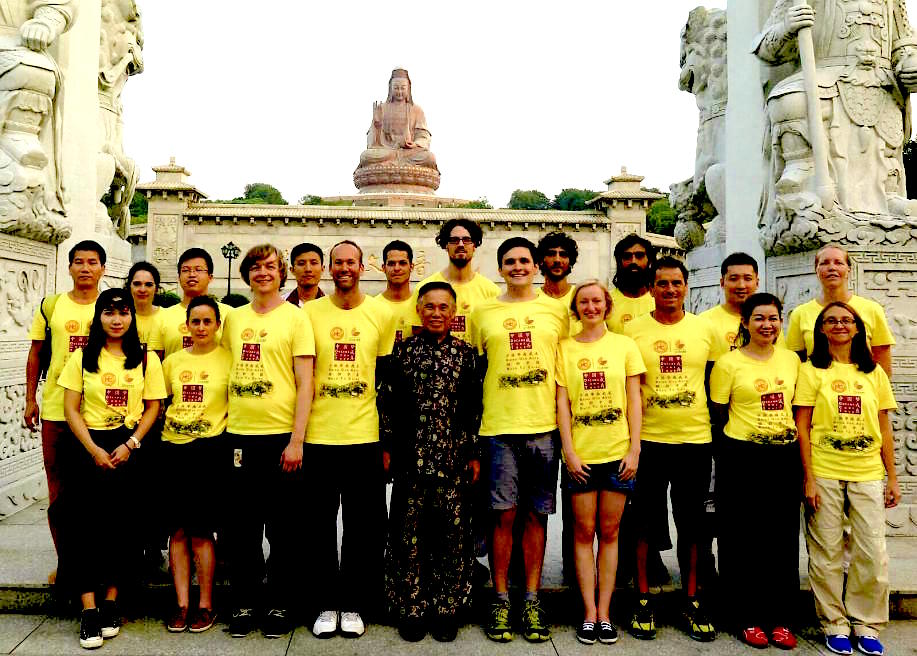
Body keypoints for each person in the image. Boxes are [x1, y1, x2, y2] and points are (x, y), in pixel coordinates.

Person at [470, 237, 568, 643]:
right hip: (498, 428)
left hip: (543, 427)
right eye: (510, 261)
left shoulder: (556, 311)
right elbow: (477, 371)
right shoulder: (483, 312)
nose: (518, 267)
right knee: (502, 516)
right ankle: (500, 599)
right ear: (500, 268)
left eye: (524, 260)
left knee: (535, 516)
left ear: (536, 266)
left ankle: (530, 597)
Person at [57, 288, 165, 650]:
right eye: (109, 312)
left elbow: (153, 406)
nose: (116, 320)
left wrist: (132, 443)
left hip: (128, 447)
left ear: (132, 317)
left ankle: (111, 603)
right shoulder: (82, 357)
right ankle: (88, 609)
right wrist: (92, 449)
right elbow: (71, 407)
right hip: (88, 446)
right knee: (83, 528)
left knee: (124, 527)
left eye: (123, 312)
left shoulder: (147, 359)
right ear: (98, 317)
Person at [794, 302, 899, 656]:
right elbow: (802, 427)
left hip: (867, 471)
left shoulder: (874, 374)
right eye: (831, 321)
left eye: (846, 320)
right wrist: (808, 477)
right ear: (821, 330)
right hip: (824, 469)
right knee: (826, 552)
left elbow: (885, 427)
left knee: (873, 552)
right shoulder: (811, 370)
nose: (839, 325)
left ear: (857, 329)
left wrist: (893, 478)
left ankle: (866, 623)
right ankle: (834, 623)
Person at [221, 244, 315, 639]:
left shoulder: (296, 319)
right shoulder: (233, 319)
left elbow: (306, 382)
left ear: (282, 274)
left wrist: (297, 440)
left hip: (280, 437)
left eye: (271, 267)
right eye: (256, 267)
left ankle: (279, 603)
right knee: (241, 527)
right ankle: (244, 602)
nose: (263, 273)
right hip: (239, 434)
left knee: (283, 527)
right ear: (247, 274)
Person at [622, 256, 717, 642]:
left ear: (686, 286)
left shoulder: (704, 330)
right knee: (643, 523)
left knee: (693, 525)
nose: (670, 290)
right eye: (662, 284)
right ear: (651, 287)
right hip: (648, 441)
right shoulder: (633, 331)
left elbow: (715, 383)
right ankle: (642, 597)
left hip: (694, 439)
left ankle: (692, 598)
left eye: (676, 283)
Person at [381, 281, 482, 643]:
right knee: (409, 535)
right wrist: (388, 447)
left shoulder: (465, 354)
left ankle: (446, 607)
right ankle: (411, 606)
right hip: (411, 460)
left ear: (454, 313)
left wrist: (473, 453)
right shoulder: (404, 352)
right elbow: (389, 403)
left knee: (451, 536)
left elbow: (474, 408)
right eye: (429, 307)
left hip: (453, 460)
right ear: (419, 311)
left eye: (443, 307)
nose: (436, 313)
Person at [304, 240, 395, 639]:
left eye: (351, 262)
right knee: (319, 525)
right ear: (329, 268)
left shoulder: (381, 313)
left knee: (365, 526)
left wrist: (388, 442)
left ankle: (356, 602)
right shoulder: (308, 314)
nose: (344, 268)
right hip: (318, 436)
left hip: (364, 436)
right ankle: (325, 603)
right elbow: (301, 377)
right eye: (337, 262)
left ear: (363, 266)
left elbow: (388, 383)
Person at [754, 1, 917, 219]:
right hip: (823, 76)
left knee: (886, 122)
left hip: (880, 82)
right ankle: (801, 171)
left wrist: (909, 65)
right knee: (787, 101)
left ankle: (886, 191)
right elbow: (766, 48)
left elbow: (905, 46)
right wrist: (787, 26)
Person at [709, 293, 801, 649]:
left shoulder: (792, 361)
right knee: (739, 537)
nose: (767, 325)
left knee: (780, 537)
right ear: (745, 323)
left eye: (773, 318)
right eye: (759, 318)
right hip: (741, 457)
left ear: (781, 322)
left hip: (783, 457)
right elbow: (718, 415)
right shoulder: (728, 364)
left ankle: (780, 617)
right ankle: (744, 616)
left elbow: (797, 408)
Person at [556, 280, 644, 645]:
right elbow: (562, 404)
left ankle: (605, 612)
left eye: (597, 301)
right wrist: (569, 452)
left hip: (617, 453)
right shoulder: (564, 348)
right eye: (584, 302)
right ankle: (588, 612)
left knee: (610, 534)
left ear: (607, 306)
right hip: (582, 456)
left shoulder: (624, 346)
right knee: (582, 533)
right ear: (576, 309)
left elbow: (635, 399)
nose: (591, 307)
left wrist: (634, 448)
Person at [25, 240, 105, 564]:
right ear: (69, 267)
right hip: (57, 411)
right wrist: (30, 399)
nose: (85, 268)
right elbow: (35, 354)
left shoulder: (112, 306)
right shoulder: (52, 306)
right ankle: (67, 567)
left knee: (98, 496)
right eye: (79, 262)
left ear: (103, 268)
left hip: (99, 414)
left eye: (92, 262)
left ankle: (98, 567)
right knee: (59, 495)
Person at [160, 296, 231, 634]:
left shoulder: (230, 360)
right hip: (174, 450)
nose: (201, 328)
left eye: (208, 321)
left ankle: (205, 604)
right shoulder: (171, 362)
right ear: (186, 324)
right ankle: (181, 603)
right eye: (195, 321)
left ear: (217, 324)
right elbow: (160, 404)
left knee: (201, 530)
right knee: (177, 530)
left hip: (211, 450)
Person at [787, 245, 894, 376]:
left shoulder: (872, 309)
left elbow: (883, 366)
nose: (832, 268)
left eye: (838, 262)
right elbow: (795, 363)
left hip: (861, 391)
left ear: (849, 269)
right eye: (824, 263)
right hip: (817, 391)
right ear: (816, 270)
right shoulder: (800, 313)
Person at [415, 218, 499, 343]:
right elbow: (417, 334)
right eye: (454, 240)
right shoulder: (425, 288)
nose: (460, 244)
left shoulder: (492, 292)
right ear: (445, 245)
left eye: (466, 240)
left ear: (474, 245)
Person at [149, 248, 233, 359]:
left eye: (198, 270)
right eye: (185, 270)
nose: (192, 274)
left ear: (210, 277)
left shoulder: (230, 315)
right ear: (179, 277)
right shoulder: (162, 317)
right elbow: (155, 360)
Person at [700, 252, 786, 358]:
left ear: (757, 283)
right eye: (734, 279)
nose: (741, 285)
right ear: (722, 283)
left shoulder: (769, 322)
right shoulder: (704, 321)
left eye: (748, 278)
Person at [358, 68, 438, 171]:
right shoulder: (383, 108)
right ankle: (396, 163)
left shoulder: (416, 110)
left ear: (408, 89)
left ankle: (393, 164)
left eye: (402, 88)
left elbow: (424, 136)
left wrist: (415, 144)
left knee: (429, 158)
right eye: (396, 88)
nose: (399, 91)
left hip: (408, 153)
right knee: (366, 156)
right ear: (390, 89)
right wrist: (377, 126)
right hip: (387, 151)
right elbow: (372, 142)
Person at [607, 234, 657, 334]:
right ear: (619, 262)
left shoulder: (660, 300)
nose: (633, 261)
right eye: (627, 256)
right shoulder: (606, 301)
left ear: (650, 261)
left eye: (639, 256)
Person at [377, 240, 417, 342]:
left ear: (411, 267)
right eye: (391, 264)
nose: (397, 268)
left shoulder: (420, 304)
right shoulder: (373, 306)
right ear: (383, 268)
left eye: (402, 263)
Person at [125, 261, 162, 351]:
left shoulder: (168, 317)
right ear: (129, 286)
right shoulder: (120, 319)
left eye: (148, 285)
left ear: (156, 289)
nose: (142, 289)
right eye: (137, 284)